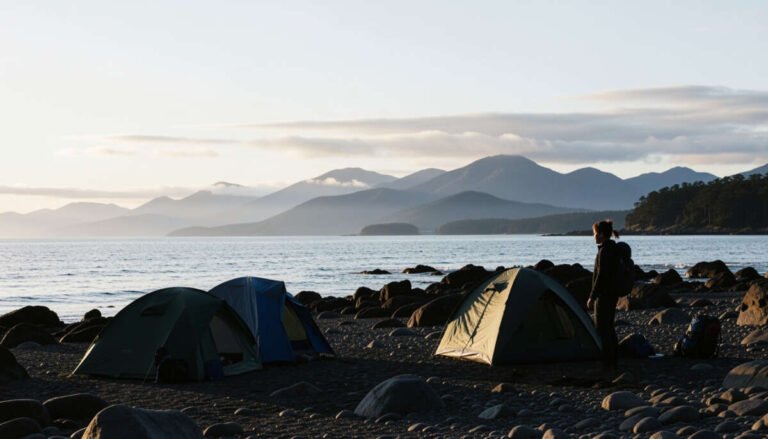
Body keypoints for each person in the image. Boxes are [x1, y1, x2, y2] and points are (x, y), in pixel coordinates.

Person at [587, 219, 620, 378]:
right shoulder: (611, 248)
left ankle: (608, 365)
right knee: (609, 326)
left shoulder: (605, 251)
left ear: (600, 234)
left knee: (602, 328)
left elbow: (601, 275)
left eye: (594, 233)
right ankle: (614, 361)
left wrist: (592, 296)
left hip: (604, 295)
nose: (593, 237)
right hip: (612, 293)